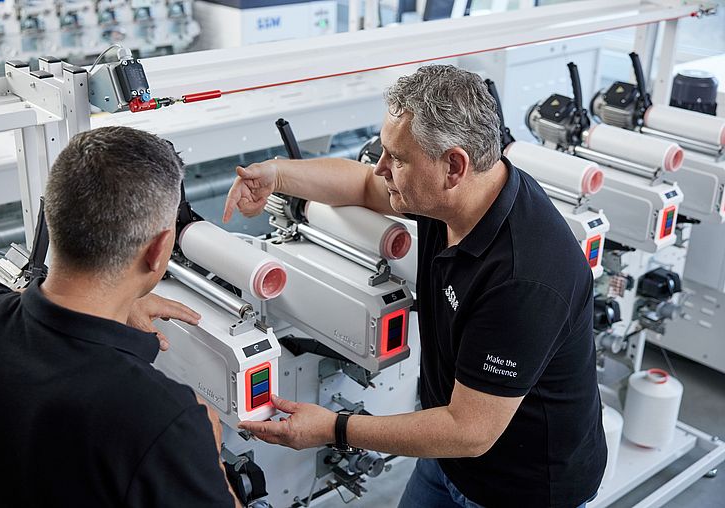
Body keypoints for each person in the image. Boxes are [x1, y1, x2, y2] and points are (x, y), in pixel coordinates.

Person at [224, 65, 607, 508]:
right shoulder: (458, 195)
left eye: (397, 159)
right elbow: (364, 184)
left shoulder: (526, 278)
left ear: (453, 167)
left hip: (520, 487)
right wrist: (277, 175)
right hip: (447, 458)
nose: (382, 169)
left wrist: (334, 428)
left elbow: (469, 431)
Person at [0, 126, 239, 508]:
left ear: (53, 219)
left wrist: (117, 304)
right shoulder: (164, 422)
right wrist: (211, 455)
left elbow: (30, 307)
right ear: (158, 250)